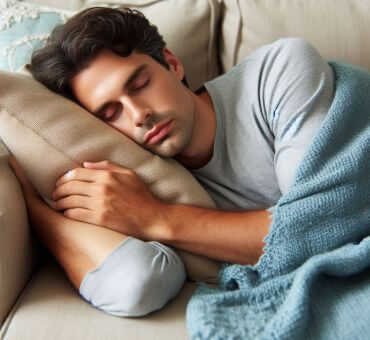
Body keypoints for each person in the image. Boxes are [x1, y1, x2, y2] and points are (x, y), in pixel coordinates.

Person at [10, 7, 334, 317]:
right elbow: (134, 284)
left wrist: (155, 216)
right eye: (111, 113)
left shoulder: (278, 71)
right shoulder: (139, 182)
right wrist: (43, 219)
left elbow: (318, 226)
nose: (139, 115)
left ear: (172, 64)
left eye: (140, 84)